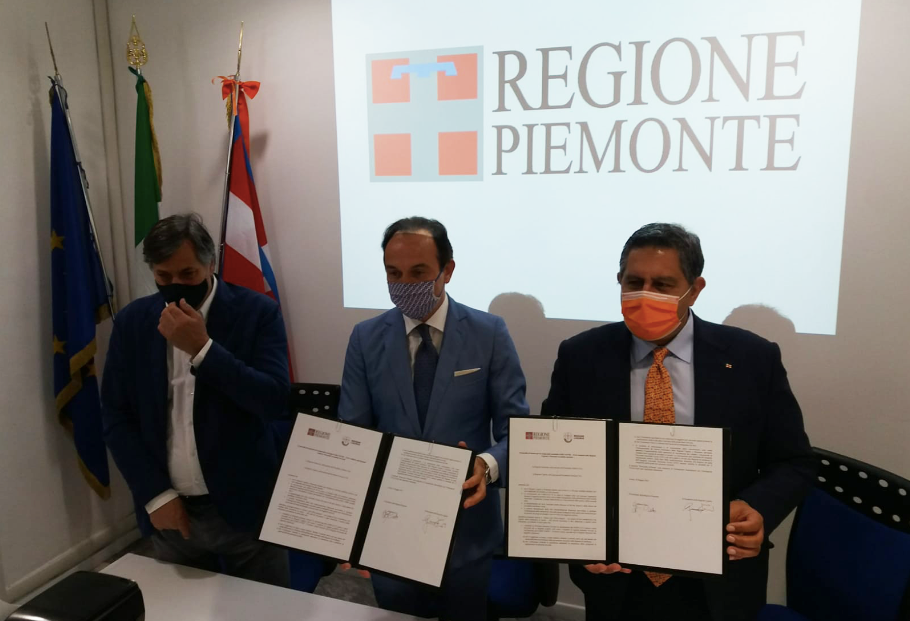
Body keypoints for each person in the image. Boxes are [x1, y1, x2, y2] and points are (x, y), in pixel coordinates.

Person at [544, 223, 816, 621]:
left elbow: (793, 462)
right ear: (619, 281)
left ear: (695, 289)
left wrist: (757, 507)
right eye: (634, 282)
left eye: (663, 284)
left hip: (719, 568)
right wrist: (576, 535)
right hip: (616, 571)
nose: (645, 294)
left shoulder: (752, 358)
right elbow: (556, 460)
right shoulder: (581, 356)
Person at [338, 217, 529, 620]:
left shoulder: (489, 332)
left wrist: (487, 464)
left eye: (418, 272)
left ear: (448, 270)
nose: (404, 283)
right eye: (394, 273)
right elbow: (353, 434)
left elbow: (517, 431)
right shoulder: (364, 337)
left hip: (467, 528)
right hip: (389, 529)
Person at [101, 214, 290, 586]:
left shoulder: (257, 313)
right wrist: (154, 495)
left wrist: (203, 350)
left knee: (267, 607)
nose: (176, 285)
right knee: (182, 608)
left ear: (210, 264)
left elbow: (272, 400)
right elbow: (116, 416)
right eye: (163, 276)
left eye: (188, 274)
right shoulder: (132, 322)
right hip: (170, 510)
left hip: (246, 507)